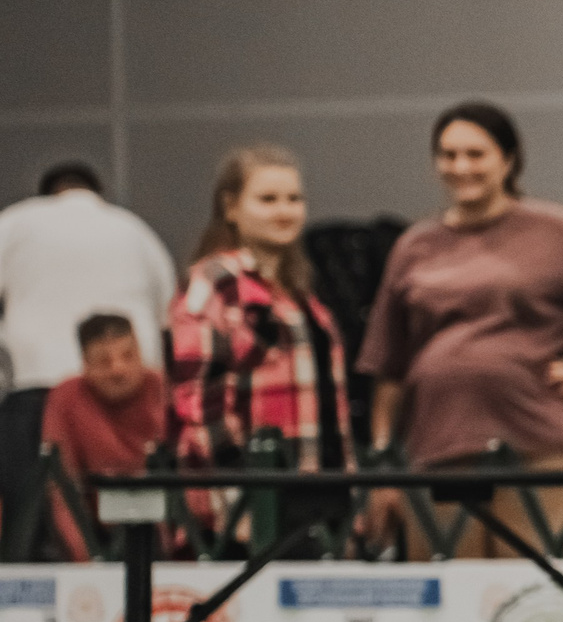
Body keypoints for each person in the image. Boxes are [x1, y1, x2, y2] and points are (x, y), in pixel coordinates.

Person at [362, 101, 563, 556]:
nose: (461, 166)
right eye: (448, 155)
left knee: (536, 592)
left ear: (508, 159)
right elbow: (388, 365)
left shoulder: (560, 233)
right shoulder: (413, 246)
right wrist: (383, 462)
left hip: (538, 444)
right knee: (448, 599)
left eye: (475, 154)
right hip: (436, 447)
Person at [0, 161, 176, 559]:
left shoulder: (15, 221)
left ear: (46, 193)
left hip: (35, 379)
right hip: (132, 381)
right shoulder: (134, 229)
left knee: (27, 530)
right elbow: (169, 312)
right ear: (97, 191)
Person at [167, 144, 352, 482]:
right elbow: (199, 406)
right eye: (268, 200)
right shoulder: (215, 282)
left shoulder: (302, 294)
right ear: (231, 207)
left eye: (294, 199)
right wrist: (237, 498)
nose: (284, 211)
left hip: (317, 490)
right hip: (252, 503)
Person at [41, 312, 169, 561]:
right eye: (103, 361)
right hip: (98, 531)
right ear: (85, 364)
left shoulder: (165, 389)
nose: (118, 370)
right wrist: (85, 559)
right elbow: (60, 488)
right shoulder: (66, 398)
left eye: (128, 356)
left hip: (169, 527)